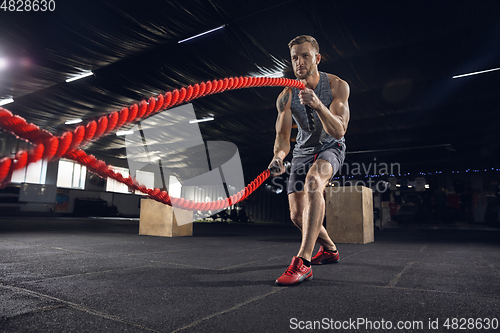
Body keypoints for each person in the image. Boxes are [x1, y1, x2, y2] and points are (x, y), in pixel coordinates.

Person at [268, 35, 350, 286]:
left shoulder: (337, 86)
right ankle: (330, 249)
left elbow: (339, 131)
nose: (300, 62)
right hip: (302, 152)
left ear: (317, 58)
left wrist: (317, 104)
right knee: (297, 215)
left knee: (314, 181)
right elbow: (283, 137)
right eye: (295, 57)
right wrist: (279, 157)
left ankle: (303, 261)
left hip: (330, 147)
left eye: (305, 55)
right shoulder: (286, 96)